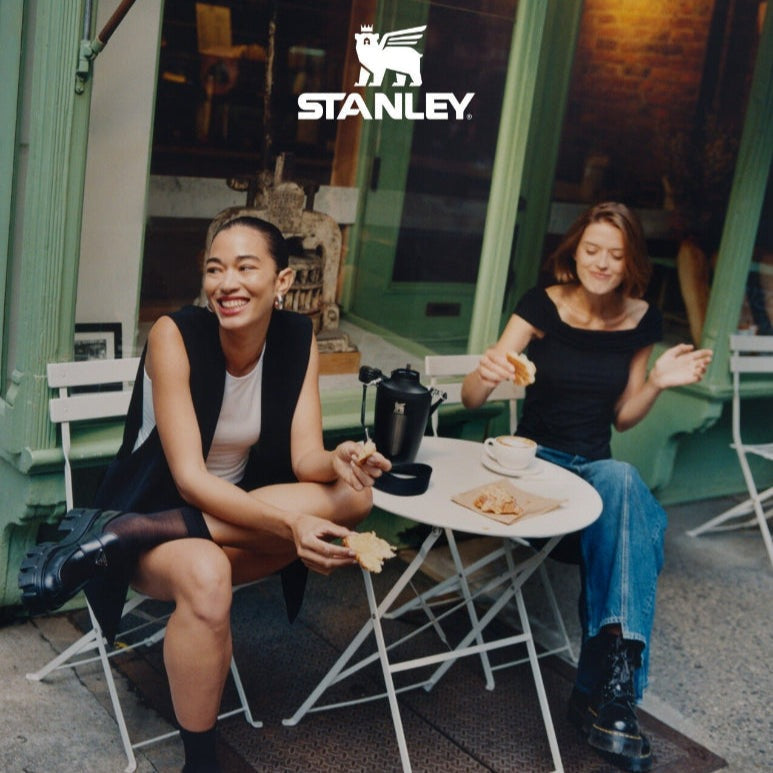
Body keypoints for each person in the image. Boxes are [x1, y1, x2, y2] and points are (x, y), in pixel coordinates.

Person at [19, 208, 391, 773]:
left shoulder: (298, 338)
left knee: (356, 495)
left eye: (245, 267)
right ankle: (200, 763)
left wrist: (337, 458)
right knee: (208, 573)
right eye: (215, 269)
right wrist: (290, 527)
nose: (226, 283)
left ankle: (117, 536)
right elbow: (190, 479)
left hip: (230, 515)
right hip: (158, 510)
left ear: (283, 280)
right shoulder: (176, 335)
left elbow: (304, 459)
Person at [461, 201, 712, 772]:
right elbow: (473, 399)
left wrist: (657, 382)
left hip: (594, 479)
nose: (601, 263)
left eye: (615, 255)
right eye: (591, 250)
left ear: (631, 263)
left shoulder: (643, 320)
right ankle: (607, 697)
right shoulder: (540, 304)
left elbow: (622, 417)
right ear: (574, 252)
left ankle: (607, 688)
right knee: (632, 508)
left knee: (621, 482)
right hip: (533, 468)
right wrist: (486, 373)